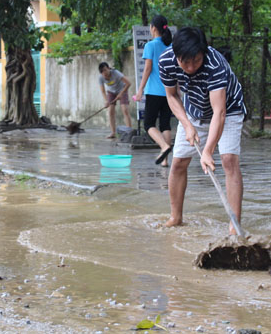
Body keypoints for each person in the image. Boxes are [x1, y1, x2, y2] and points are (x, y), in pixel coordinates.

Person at [158, 27, 246, 234]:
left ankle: (235, 226)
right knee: (178, 162)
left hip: (228, 110)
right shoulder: (166, 61)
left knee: (228, 160)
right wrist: (187, 125)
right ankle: (176, 217)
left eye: (195, 61)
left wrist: (207, 151)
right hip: (193, 111)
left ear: (203, 53)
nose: (189, 67)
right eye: (184, 62)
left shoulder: (215, 65)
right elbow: (172, 96)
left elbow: (219, 112)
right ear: (176, 55)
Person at [133, 15, 173, 166]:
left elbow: (148, 68)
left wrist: (140, 89)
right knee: (165, 124)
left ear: (153, 28)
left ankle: (164, 147)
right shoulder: (170, 46)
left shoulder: (151, 46)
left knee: (148, 124)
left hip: (154, 91)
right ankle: (165, 161)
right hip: (169, 91)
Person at [98, 62, 132, 139]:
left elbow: (128, 83)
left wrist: (121, 94)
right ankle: (113, 133)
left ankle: (129, 132)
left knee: (125, 110)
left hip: (122, 89)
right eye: (102, 72)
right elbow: (103, 91)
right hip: (111, 92)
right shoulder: (100, 78)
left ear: (109, 68)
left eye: (105, 70)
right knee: (110, 112)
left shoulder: (116, 73)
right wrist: (106, 101)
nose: (104, 73)